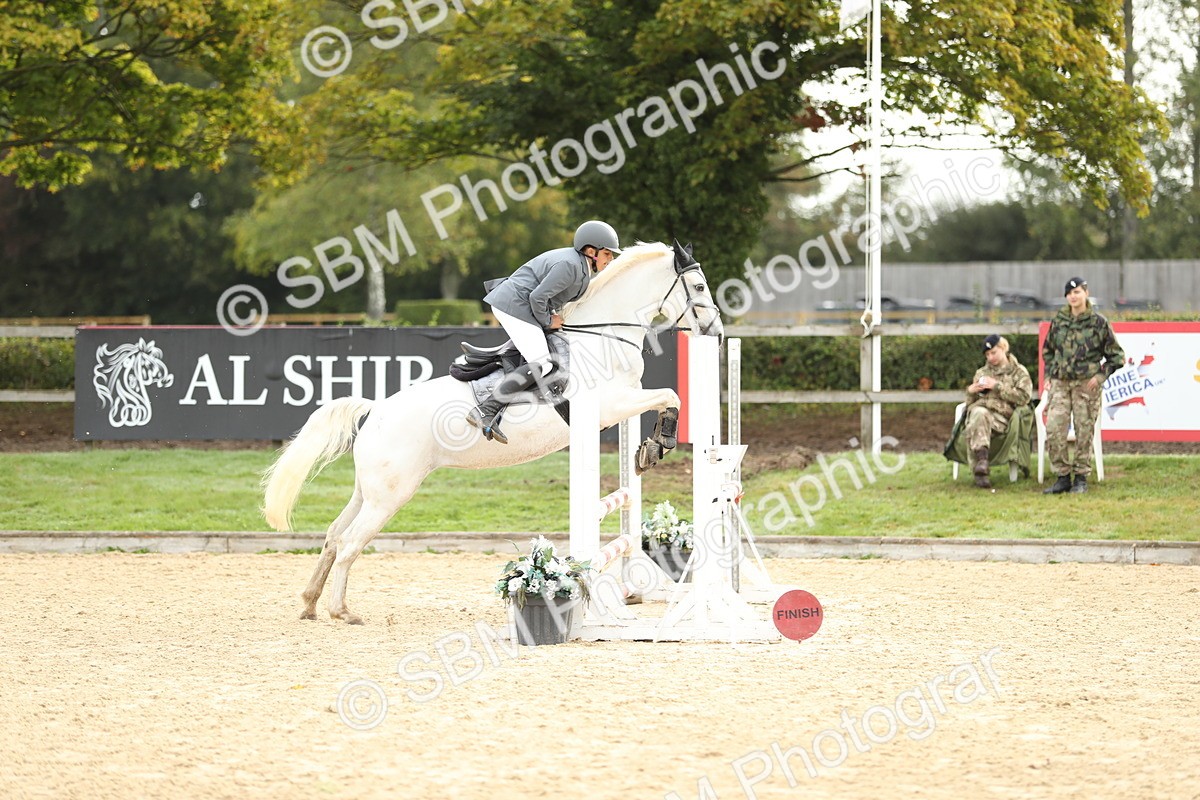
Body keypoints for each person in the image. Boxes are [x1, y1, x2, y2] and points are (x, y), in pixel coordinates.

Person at [466, 220, 623, 444]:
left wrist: (552, 318)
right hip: (513, 305)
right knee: (543, 364)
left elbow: (550, 299)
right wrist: (548, 321)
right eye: (607, 253)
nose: (611, 259)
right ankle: (485, 410)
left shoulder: (581, 268)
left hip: (522, 305)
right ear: (591, 251)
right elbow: (537, 297)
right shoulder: (570, 265)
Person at [1041, 276, 1125, 494]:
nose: (1073, 296)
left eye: (1077, 292)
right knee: (1054, 428)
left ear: (1086, 293)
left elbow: (1117, 357)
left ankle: (1080, 477)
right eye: (1069, 293)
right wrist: (1050, 374)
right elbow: (1048, 350)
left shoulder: (1098, 323)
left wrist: (1100, 377)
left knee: (1084, 431)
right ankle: (1062, 477)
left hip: (1086, 386)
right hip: (1061, 384)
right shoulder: (1059, 321)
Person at [963, 334, 1033, 489]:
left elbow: (1024, 398)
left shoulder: (1018, 372)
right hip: (979, 413)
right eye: (987, 355)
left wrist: (997, 386)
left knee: (979, 416)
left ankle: (981, 467)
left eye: (993, 353)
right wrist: (970, 391)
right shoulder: (981, 373)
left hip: (1002, 418)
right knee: (978, 414)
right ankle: (982, 463)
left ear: (1003, 348)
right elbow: (969, 405)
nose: (990, 357)